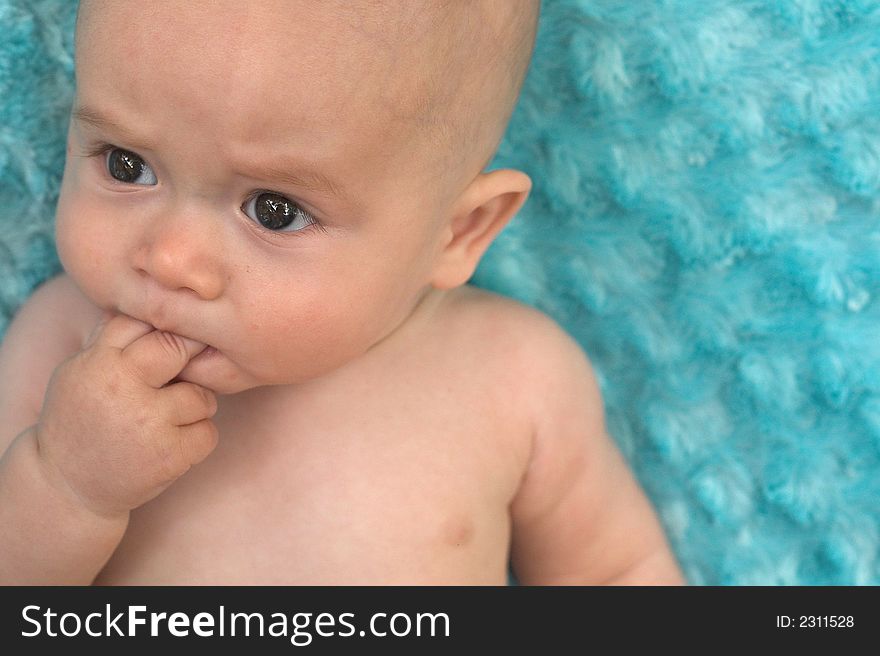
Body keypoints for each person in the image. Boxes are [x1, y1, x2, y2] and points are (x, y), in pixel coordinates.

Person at [0, 0, 684, 585]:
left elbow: (616, 574)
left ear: (457, 232)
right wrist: (65, 486)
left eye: (274, 211)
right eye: (127, 165)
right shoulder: (65, 348)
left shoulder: (512, 375)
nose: (170, 259)